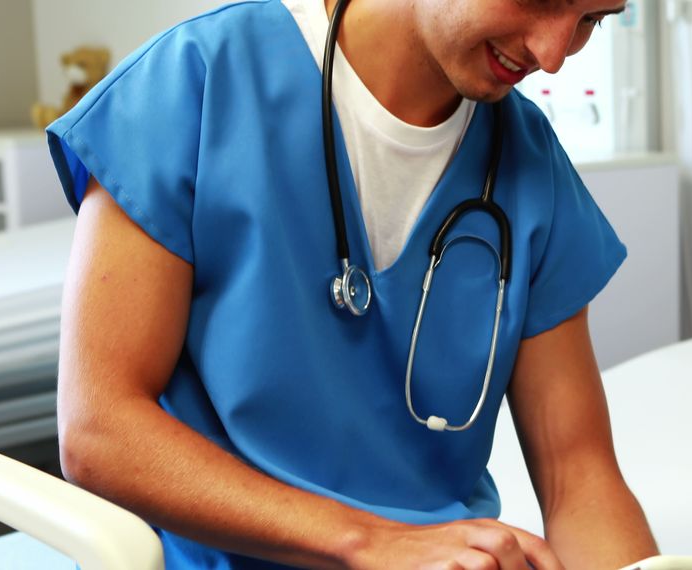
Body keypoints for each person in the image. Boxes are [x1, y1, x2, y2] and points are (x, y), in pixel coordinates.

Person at [46, 0, 658, 567]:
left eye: (591, 19)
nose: (551, 54)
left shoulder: (527, 160)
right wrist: (371, 543)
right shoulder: (195, 83)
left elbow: (579, 478)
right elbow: (100, 430)